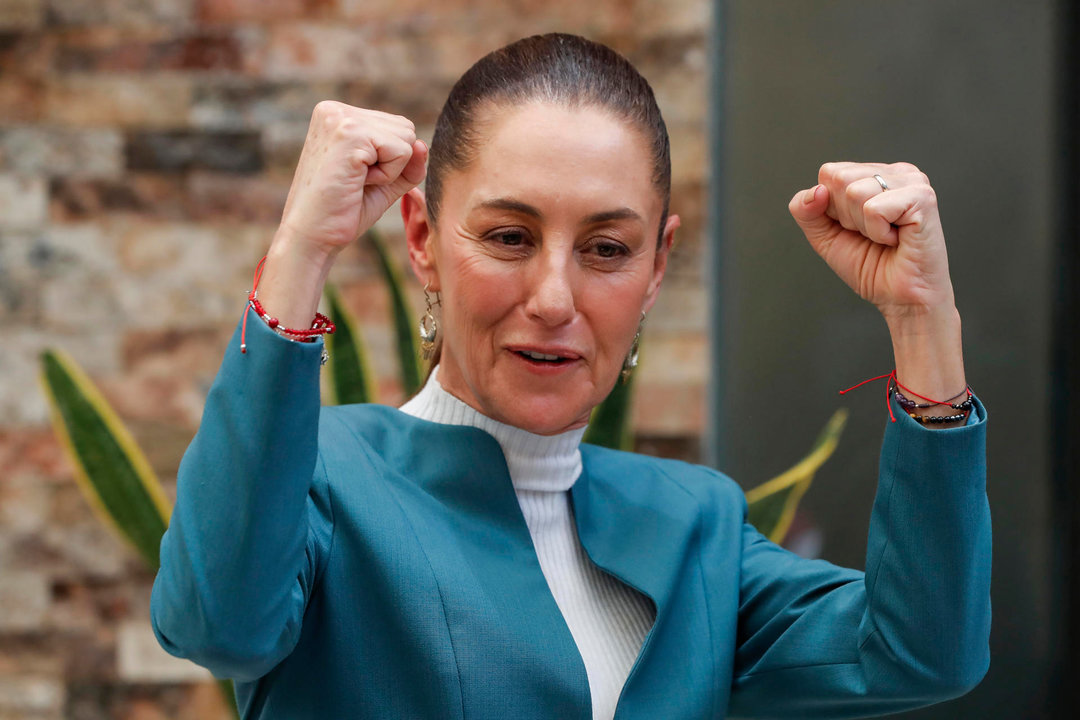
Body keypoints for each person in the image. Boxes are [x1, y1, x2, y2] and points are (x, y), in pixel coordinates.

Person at [150, 33, 990, 720]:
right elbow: (220, 625)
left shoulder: (696, 523)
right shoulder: (323, 479)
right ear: (422, 238)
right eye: (510, 237)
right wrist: (301, 246)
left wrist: (922, 320)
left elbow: (921, 651)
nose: (555, 299)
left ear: (656, 267)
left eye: (607, 249)